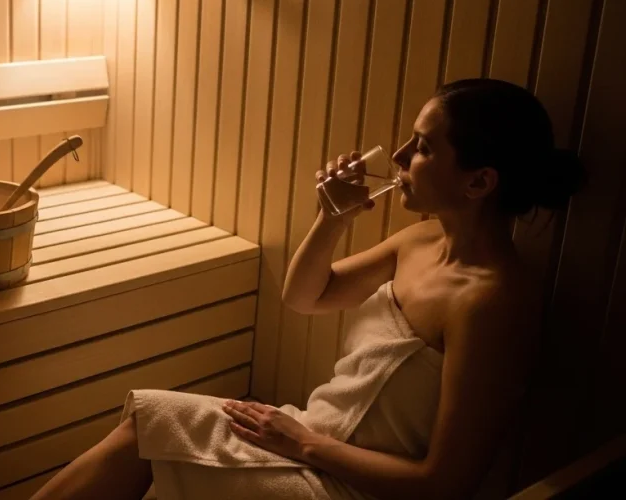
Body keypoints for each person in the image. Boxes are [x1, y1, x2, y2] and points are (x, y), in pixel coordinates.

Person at [31, 79, 585, 500]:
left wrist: (301, 443)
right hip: (310, 438)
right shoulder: (419, 241)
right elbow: (306, 297)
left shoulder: (491, 303)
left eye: (422, 147)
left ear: (480, 181)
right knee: (146, 423)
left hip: (348, 484)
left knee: (147, 434)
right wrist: (332, 219)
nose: (397, 158)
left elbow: (445, 483)